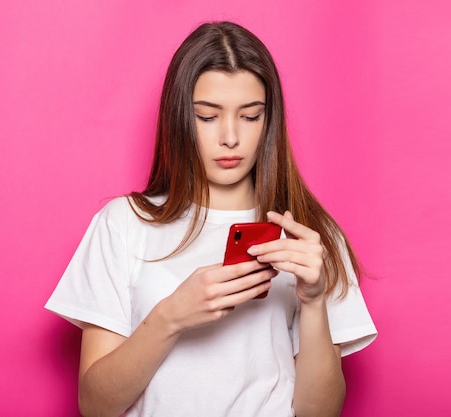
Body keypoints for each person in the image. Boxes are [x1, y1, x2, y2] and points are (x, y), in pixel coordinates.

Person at [45, 21, 377, 417]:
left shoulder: (309, 238)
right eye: (208, 117)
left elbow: (319, 413)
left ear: (269, 122)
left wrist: (313, 300)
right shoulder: (122, 225)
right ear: (180, 118)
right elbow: (95, 406)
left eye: (251, 116)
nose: (231, 137)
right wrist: (170, 317)